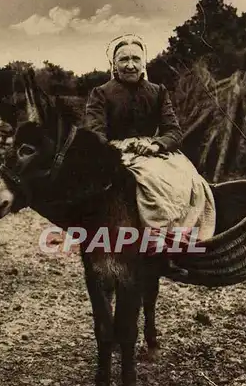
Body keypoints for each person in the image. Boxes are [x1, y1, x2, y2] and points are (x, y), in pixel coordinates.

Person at [85, 34, 216, 247]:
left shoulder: (158, 92)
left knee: (193, 182)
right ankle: (156, 241)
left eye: (135, 59)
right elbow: (94, 132)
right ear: (114, 64)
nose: (130, 65)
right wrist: (118, 145)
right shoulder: (101, 93)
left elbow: (173, 131)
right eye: (123, 60)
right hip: (116, 152)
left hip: (153, 150)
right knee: (152, 182)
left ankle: (188, 239)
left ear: (143, 62)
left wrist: (155, 144)